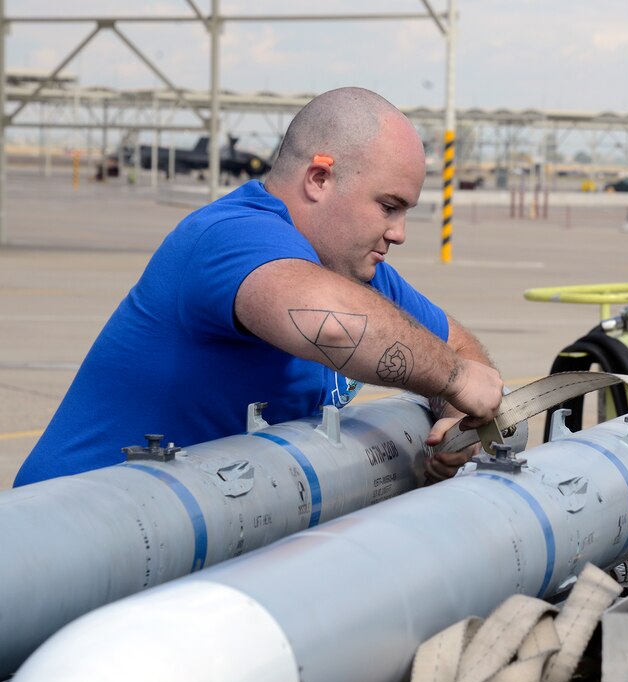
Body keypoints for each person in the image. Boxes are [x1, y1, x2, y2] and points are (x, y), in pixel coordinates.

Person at [15, 87, 503, 487]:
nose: (398, 232)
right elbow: (333, 326)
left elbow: (456, 345)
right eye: (388, 206)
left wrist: (453, 414)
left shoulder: (350, 270)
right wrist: (455, 379)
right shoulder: (233, 235)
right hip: (72, 538)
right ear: (319, 177)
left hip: (183, 530)